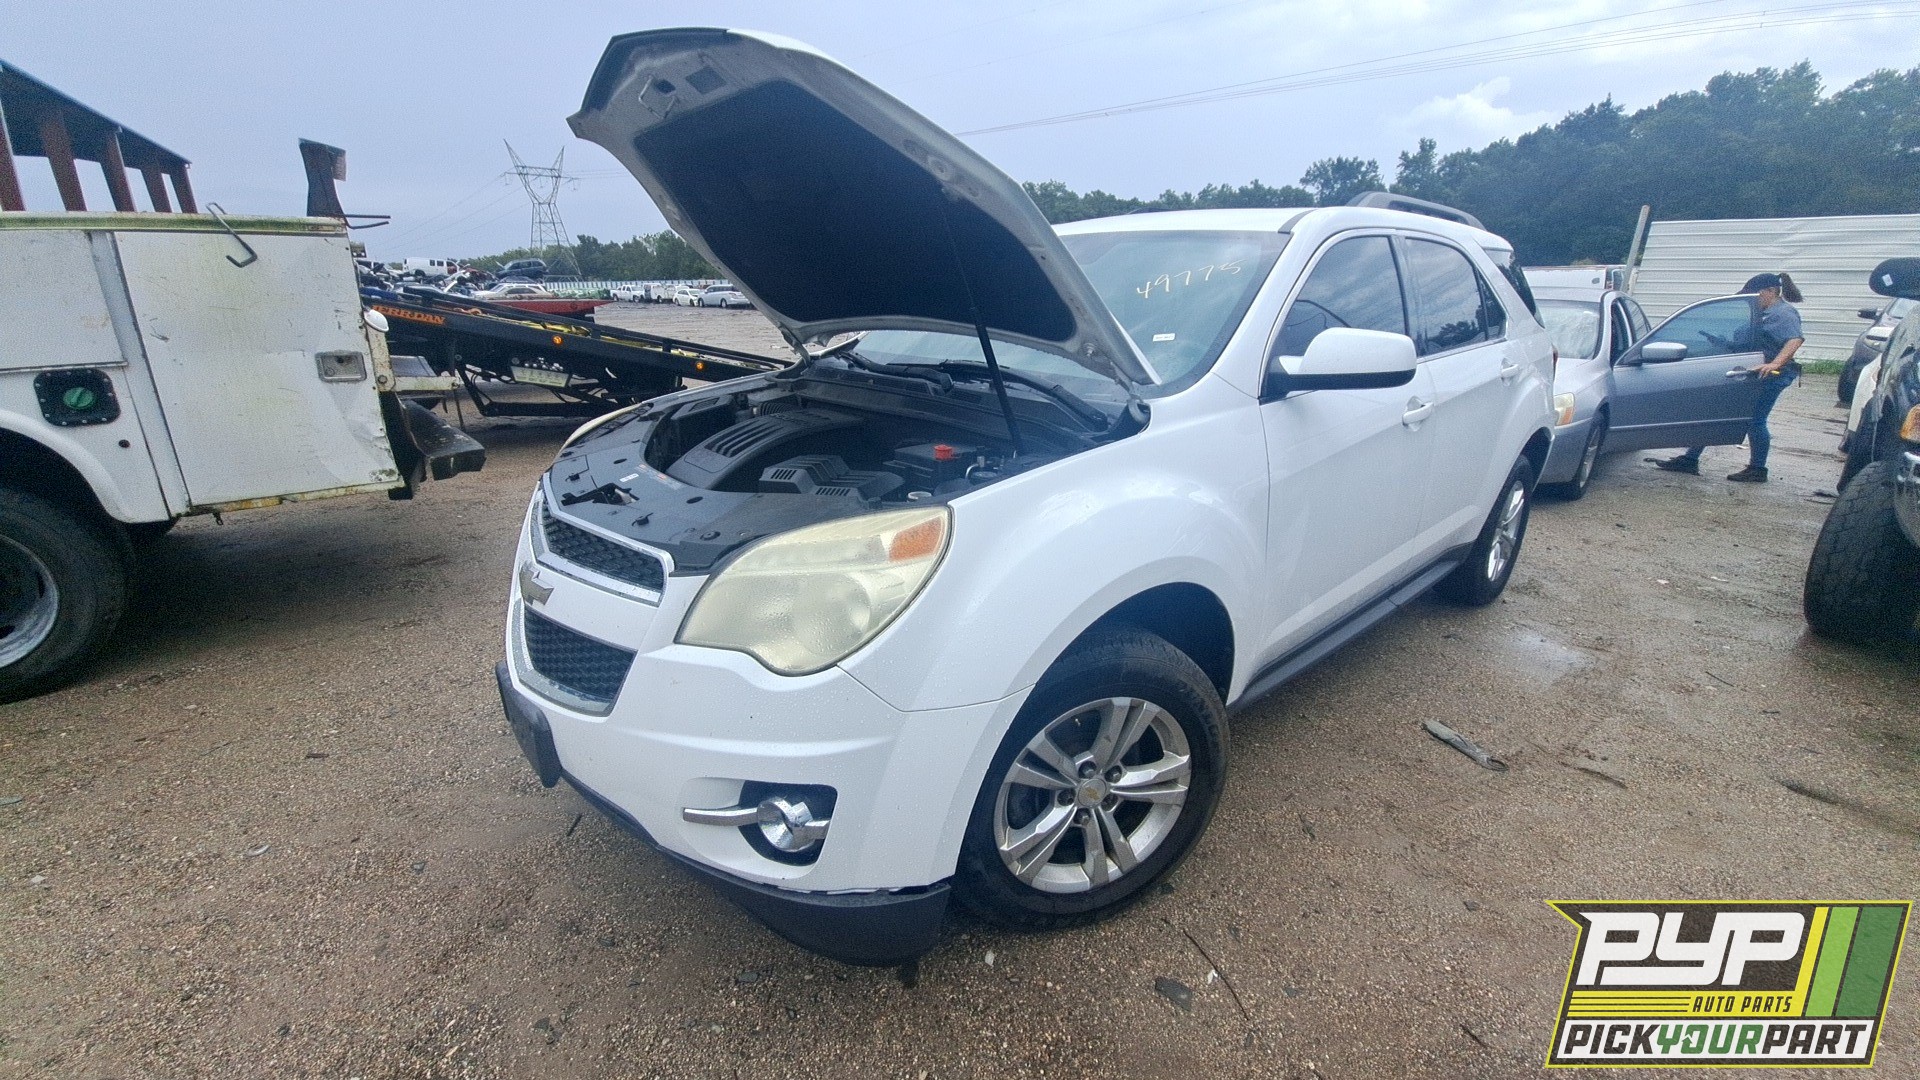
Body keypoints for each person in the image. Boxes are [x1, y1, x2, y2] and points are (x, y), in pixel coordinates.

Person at [1650, 272, 1805, 483]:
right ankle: (1690, 459)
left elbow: (1794, 340)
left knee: (1755, 420)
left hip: (1769, 376)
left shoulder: (1784, 313)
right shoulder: (1764, 312)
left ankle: (1758, 469)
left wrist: (1775, 364)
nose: (1753, 300)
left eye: (1756, 295)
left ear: (1771, 291)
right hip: (1749, 373)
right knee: (1713, 413)